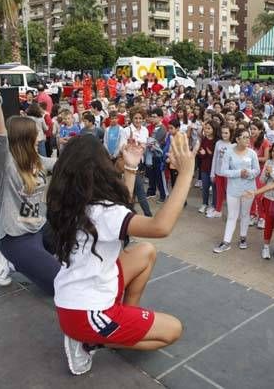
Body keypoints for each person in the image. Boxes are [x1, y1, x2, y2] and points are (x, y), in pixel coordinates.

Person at [49, 129, 195, 375]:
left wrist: (130, 168)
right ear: (100, 170)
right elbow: (161, 226)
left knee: (146, 252)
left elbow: (119, 214)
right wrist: (186, 173)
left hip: (74, 301)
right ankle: (90, 342)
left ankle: (123, 320)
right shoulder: (102, 211)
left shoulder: (72, 203)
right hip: (87, 313)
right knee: (172, 331)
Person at [0, 63, 59, 294]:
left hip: (40, 228)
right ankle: (10, 260)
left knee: (75, 244)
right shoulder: (5, 162)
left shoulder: (37, 159)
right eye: (35, 133)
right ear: (24, 137)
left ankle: (41, 258)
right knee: (59, 287)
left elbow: (63, 163)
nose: (40, 134)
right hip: (16, 237)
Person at [213, 128, 260, 253]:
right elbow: (223, 171)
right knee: (232, 215)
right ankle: (226, 242)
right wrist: (239, 172)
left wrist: (248, 173)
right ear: (237, 139)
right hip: (233, 189)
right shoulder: (229, 152)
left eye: (248, 137)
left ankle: (243, 238)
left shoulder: (252, 153)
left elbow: (257, 171)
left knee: (245, 214)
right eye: (244, 137)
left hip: (248, 189)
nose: (247, 140)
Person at [208, 124, 234, 219]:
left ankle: (232, 213)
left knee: (230, 194)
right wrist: (212, 173)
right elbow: (215, 158)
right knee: (219, 193)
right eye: (223, 132)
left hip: (229, 174)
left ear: (231, 133)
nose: (224, 135)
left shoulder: (233, 145)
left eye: (226, 133)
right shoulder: (218, 143)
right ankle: (218, 211)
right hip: (218, 172)